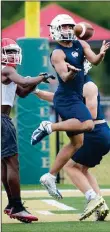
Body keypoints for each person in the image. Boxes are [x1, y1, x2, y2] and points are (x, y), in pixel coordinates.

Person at [31, 14, 110, 219]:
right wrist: (70, 74)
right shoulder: (57, 53)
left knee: (76, 145)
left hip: (71, 99)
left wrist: (100, 54)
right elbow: (64, 77)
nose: (67, 29)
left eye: (70, 26)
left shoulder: (81, 46)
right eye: (64, 26)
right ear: (56, 29)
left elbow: (94, 60)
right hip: (69, 100)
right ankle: (49, 127)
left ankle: (50, 176)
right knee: (85, 127)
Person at [1, 38, 55, 223]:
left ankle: (11, 204)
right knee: (12, 164)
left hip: (3, 118)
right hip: (2, 119)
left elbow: (22, 91)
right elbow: (24, 80)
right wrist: (42, 77)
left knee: (4, 163)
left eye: (14, 51)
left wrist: (35, 81)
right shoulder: (7, 70)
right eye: (8, 52)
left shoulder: (8, 72)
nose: (12, 55)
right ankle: (17, 206)